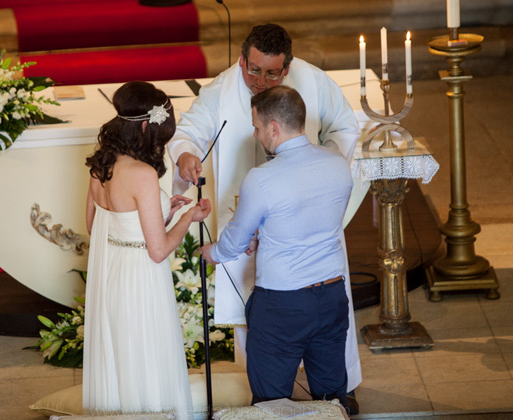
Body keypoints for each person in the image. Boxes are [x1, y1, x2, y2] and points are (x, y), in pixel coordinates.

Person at [167, 22, 362, 401]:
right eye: (252, 69)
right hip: (245, 212)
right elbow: (187, 130)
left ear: (286, 68)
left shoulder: (315, 82)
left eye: (271, 73)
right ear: (241, 59)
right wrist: (187, 154)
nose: (259, 80)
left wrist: (316, 174)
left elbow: (345, 129)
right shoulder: (221, 90)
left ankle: (335, 392)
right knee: (256, 306)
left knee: (296, 318)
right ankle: (279, 391)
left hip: (303, 224)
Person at [200, 85, 352, 409]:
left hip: (282, 305)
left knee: (271, 402)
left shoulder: (262, 178)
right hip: (331, 296)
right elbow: (317, 221)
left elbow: (236, 240)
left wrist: (211, 253)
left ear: (273, 127)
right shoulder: (337, 163)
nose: (256, 135)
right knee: (331, 398)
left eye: (256, 128)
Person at [83, 81, 210, 418]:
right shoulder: (142, 174)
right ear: (143, 127)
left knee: (119, 356)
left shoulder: (102, 163)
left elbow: (96, 225)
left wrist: (161, 210)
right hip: (140, 279)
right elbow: (157, 250)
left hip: (111, 272)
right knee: (145, 355)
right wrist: (186, 217)